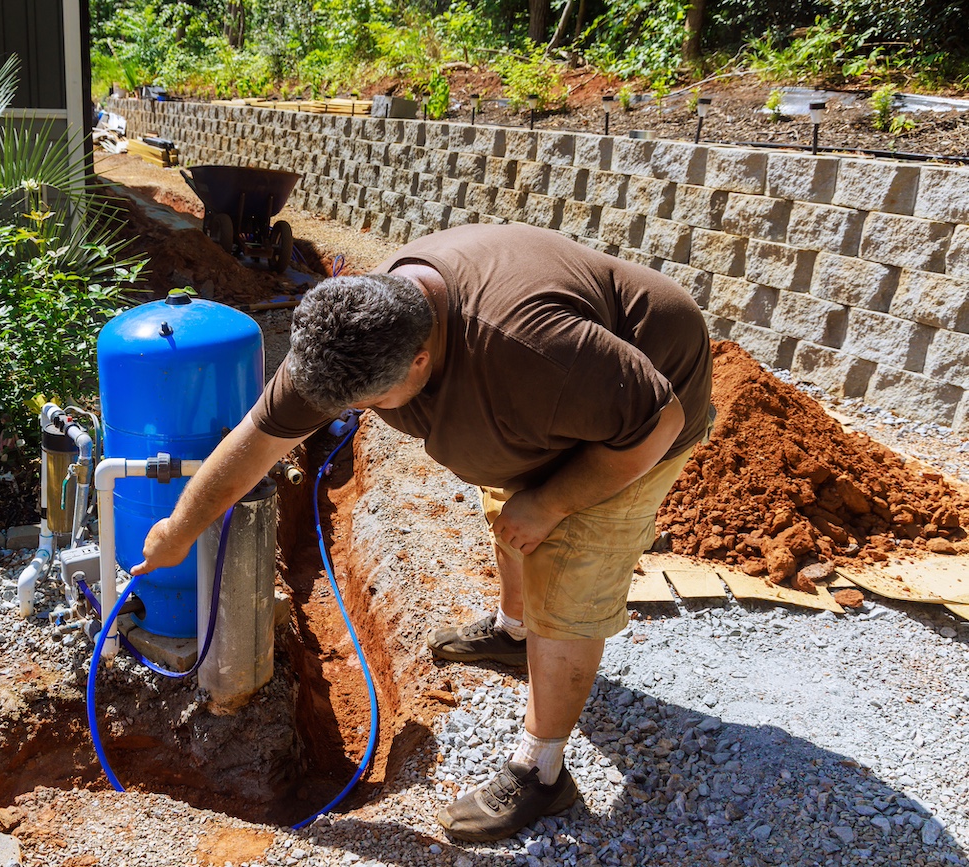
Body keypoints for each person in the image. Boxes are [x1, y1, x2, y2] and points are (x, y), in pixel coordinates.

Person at [133, 222, 713, 842]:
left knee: (566, 580)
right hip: (557, 402)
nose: (363, 414)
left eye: (374, 402)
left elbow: (657, 423)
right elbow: (254, 443)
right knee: (508, 513)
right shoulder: (349, 335)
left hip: (643, 411)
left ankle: (542, 772)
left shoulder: (533, 354)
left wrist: (551, 502)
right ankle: (516, 633)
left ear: (421, 359)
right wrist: (178, 528)